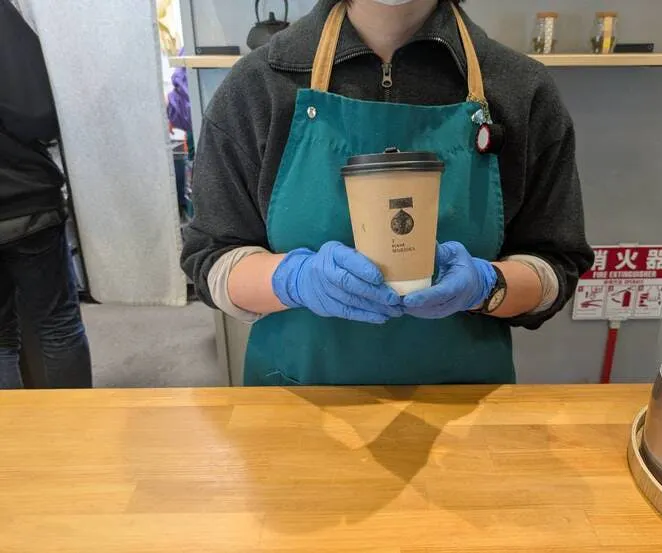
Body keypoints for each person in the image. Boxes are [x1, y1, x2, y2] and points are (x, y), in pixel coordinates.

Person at [182, 0, 594, 386]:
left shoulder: (521, 90)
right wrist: (294, 280)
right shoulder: (259, 86)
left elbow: (555, 264)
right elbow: (212, 259)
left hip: (463, 406)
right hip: (300, 403)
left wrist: (488, 285)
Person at [0, 0, 92, 389]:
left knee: (1, 338)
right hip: (23, 200)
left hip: (21, 202)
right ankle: (76, 423)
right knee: (57, 324)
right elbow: (36, 113)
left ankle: (9, 429)